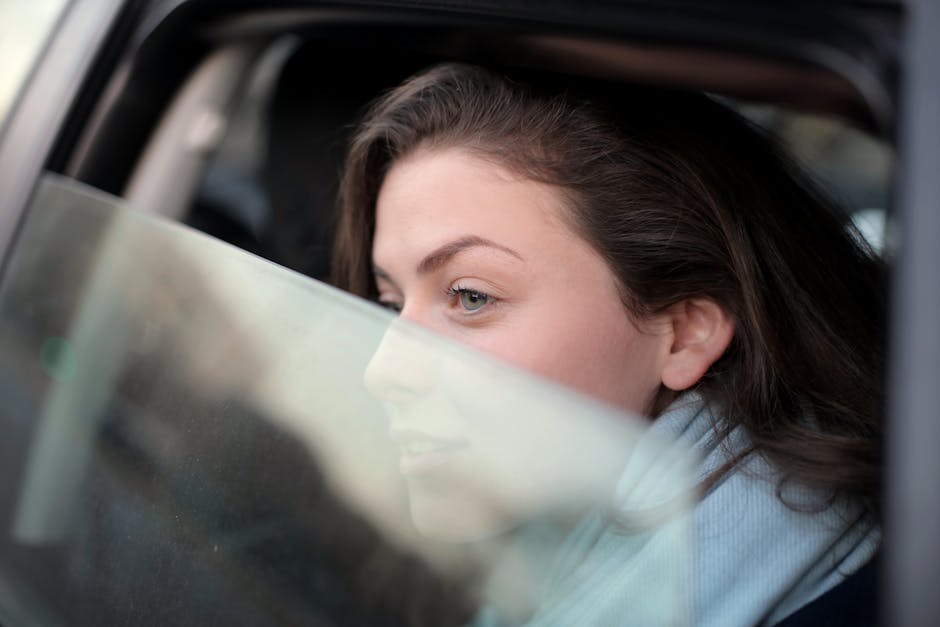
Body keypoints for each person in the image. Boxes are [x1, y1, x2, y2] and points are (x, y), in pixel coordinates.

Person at [330, 62, 884, 626]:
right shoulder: (542, 559)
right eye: (391, 305)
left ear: (685, 333)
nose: (383, 368)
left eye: (471, 297)